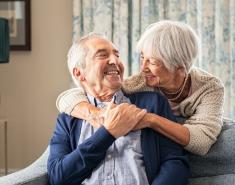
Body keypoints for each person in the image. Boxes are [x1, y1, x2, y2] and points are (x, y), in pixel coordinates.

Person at [56, 20, 224, 156]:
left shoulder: (209, 87)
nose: (143, 68)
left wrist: (150, 120)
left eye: (152, 61)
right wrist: (95, 114)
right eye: (142, 57)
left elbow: (201, 142)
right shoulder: (140, 82)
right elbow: (69, 97)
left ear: (179, 66)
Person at [48, 33, 189, 185]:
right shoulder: (68, 119)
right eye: (102, 55)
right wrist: (108, 133)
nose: (115, 61)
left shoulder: (152, 103)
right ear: (79, 73)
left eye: (117, 55)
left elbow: (175, 163)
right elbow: (58, 176)